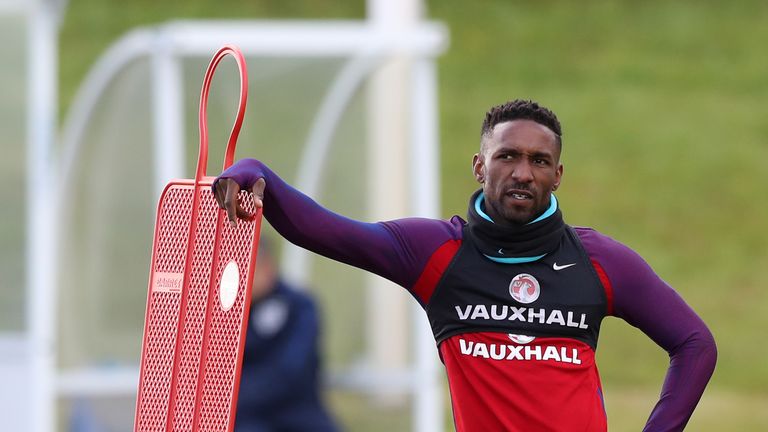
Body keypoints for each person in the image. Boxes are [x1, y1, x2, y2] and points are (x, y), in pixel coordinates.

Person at [215, 99, 717, 431]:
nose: (523, 172)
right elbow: (325, 230)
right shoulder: (436, 252)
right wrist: (256, 173)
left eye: (540, 162)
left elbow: (695, 345)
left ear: (558, 175)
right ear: (480, 164)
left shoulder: (599, 262)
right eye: (508, 156)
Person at [235, 238, 338, 432]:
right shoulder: (223, 313)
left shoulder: (299, 306)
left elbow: (291, 371)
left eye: (249, 269)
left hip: (300, 416)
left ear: (268, 267)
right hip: (245, 420)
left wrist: (234, 394)